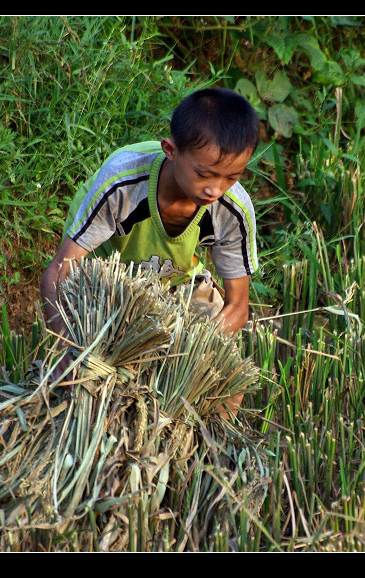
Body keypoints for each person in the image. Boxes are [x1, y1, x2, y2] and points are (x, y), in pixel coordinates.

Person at [40, 87, 260, 415]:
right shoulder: (123, 184)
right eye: (204, 174)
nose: (216, 189)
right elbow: (60, 271)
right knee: (83, 381)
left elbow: (238, 307)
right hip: (102, 285)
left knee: (227, 381)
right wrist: (63, 347)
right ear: (170, 150)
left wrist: (192, 348)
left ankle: (209, 458)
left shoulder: (233, 209)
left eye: (231, 176)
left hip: (174, 283)